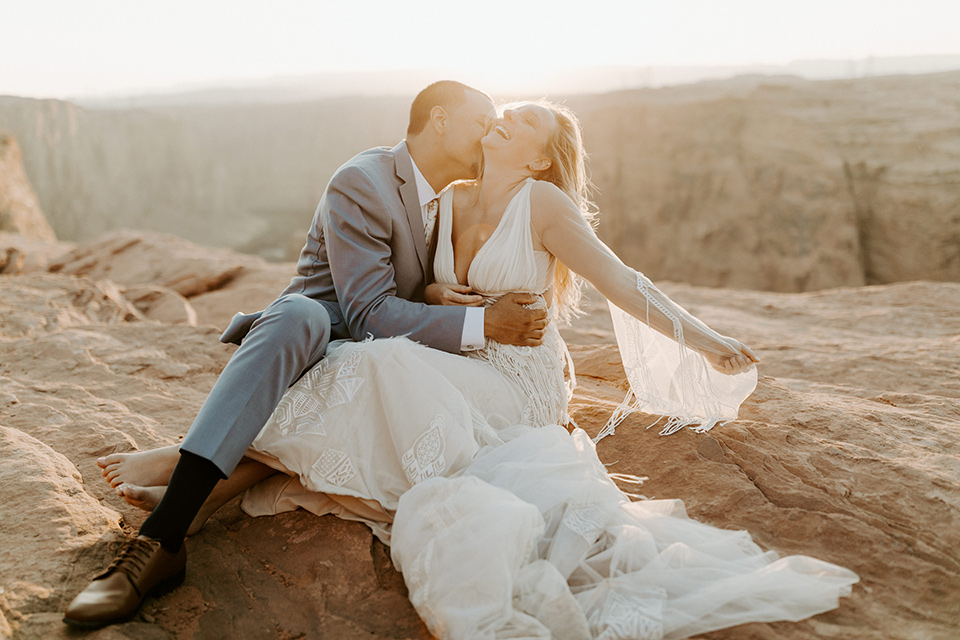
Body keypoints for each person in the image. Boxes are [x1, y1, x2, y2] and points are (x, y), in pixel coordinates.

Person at [91, 100, 857, 638]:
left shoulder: (547, 204)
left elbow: (624, 282)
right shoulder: (452, 199)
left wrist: (704, 339)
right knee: (365, 366)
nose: (506, 119)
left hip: (518, 376)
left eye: (525, 120)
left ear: (539, 155)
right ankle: (195, 485)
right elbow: (414, 284)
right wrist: (433, 289)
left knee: (376, 366)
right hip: (455, 352)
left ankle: (192, 480)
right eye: (507, 110)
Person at [62, 81, 550, 628]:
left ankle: (189, 477)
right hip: (313, 342)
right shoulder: (363, 181)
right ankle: (160, 543)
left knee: (386, 379)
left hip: (385, 361)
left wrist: (439, 293)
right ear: (439, 120)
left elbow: (418, 287)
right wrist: (485, 322)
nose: (491, 131)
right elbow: (368, 314)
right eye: (482, 119)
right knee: (302, 315)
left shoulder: (456, 198)